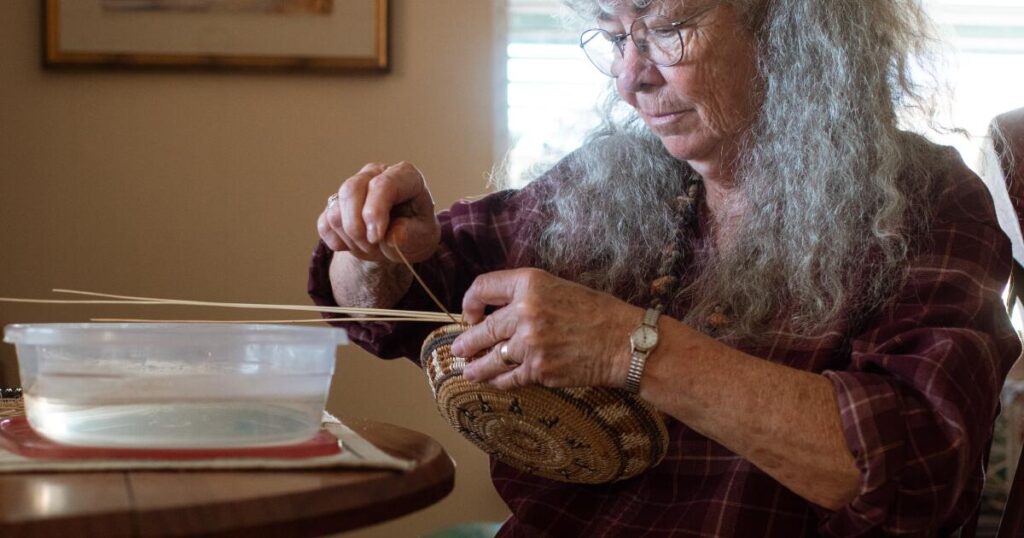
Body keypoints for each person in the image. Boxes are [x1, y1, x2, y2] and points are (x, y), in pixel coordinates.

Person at [309, 0, 1021, 535]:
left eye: (667, 27)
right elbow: (400, 301)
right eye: (616, 37)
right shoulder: (608, 179)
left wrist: (630, 345)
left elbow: (921, 465)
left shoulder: (926, 203)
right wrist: (374, 247)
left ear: (794, 28)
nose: (630, 79)